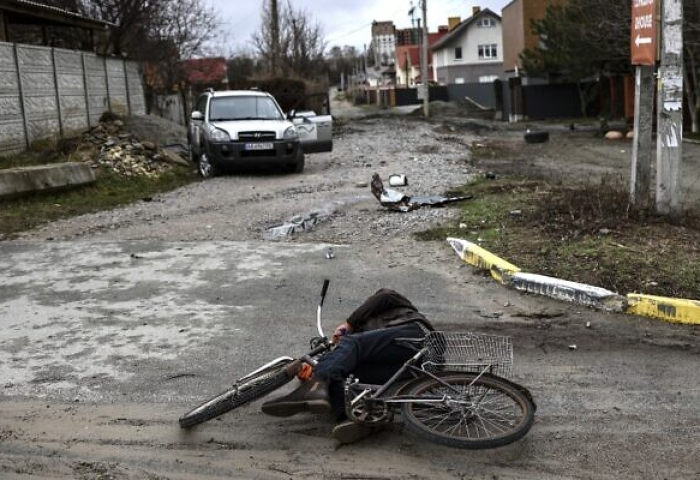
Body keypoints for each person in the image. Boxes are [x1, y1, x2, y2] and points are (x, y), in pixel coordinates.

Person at [261, 288, 434, 444]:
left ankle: (317, 383)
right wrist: (323, 362)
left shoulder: (394, 305)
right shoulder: (365, 335)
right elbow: (346, 356)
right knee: (345, 376)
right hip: (403, 366)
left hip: (413, 338)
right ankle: (360, 418)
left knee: (351, 345)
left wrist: (348, 324)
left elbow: (385, 296)